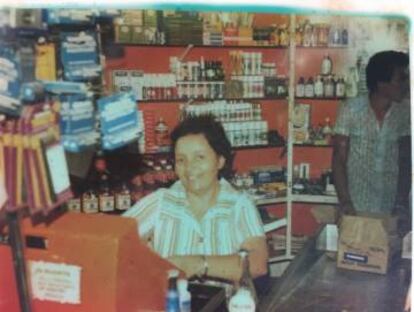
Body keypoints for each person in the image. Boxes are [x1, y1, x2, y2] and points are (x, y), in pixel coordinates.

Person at [123, 114, 268, 283]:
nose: (190, 167)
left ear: (220, 160)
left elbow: (258, 264)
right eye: (181, 160)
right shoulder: (161, 202)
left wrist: (199, 264)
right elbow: (111, 240)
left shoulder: (239, 204)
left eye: (200, 157)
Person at [332, 50, 411, 224]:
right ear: (381, 82)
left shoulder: (405, 113)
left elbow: (406, 161)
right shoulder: (351, 110)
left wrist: (401, 203)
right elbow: (338, 160)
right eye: (401, 79)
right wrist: (345, 202)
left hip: (390, 208)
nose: (407, 84)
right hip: (356, 207)